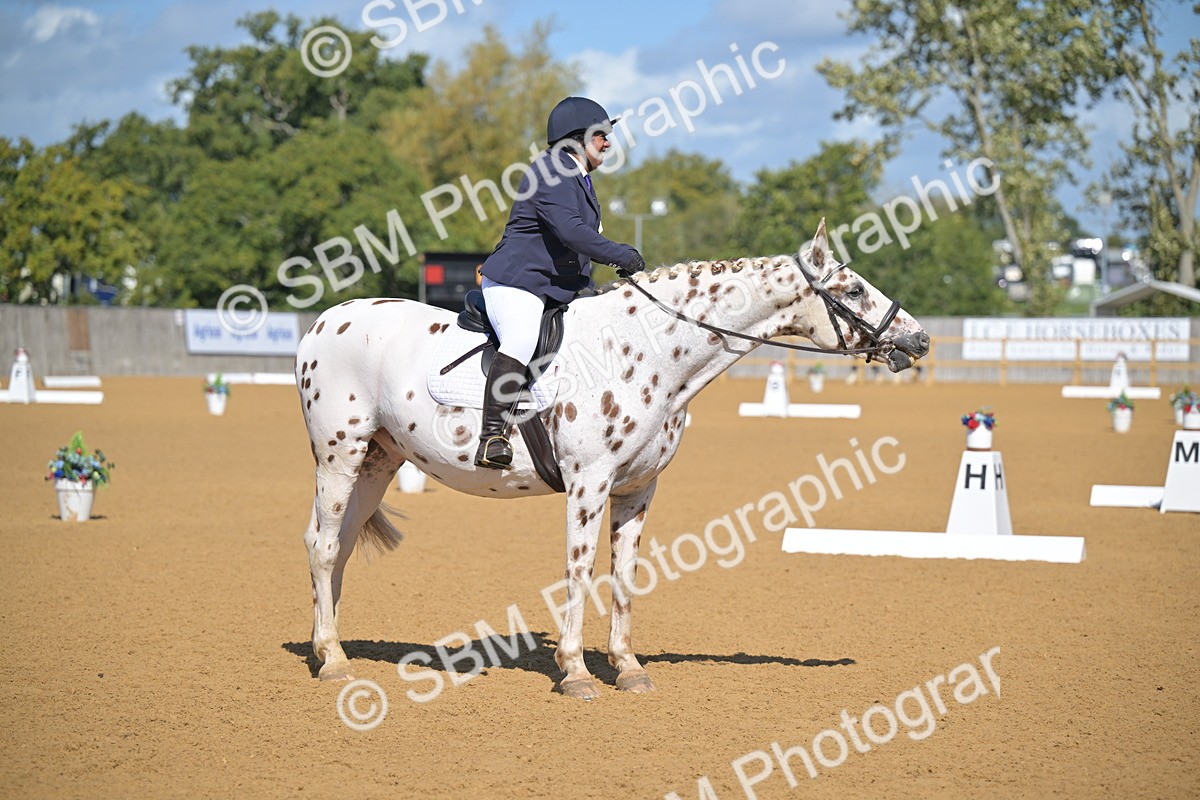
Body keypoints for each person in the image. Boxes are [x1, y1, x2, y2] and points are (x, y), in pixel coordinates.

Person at [474, 96, 646, 469]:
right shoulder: (550, 170)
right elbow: (572, 233)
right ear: (576, 138)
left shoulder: (579, 178)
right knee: (521, 337)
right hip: (519, 283)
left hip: (555, 288)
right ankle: (492, 437)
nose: (608, 142)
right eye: (601, 135)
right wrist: (620, 254)